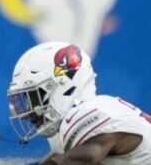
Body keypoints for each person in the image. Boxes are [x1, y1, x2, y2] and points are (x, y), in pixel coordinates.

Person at [8, 42, 151, 164]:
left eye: (34, 98)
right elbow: (61, 156)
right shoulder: (97, 110)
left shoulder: (87, 115)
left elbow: (87, 157)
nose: (27, 113)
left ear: (64, 86)